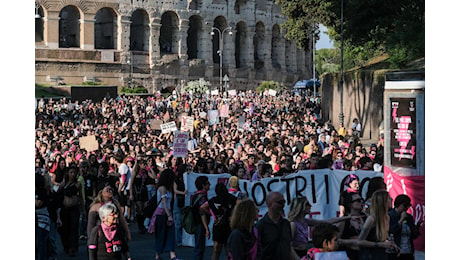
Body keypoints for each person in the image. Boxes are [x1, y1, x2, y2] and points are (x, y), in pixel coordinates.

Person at [255, 191, 299, 260]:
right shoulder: (260, 226)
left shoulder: (286, 224)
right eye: (280, 202)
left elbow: (289, 247)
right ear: (270, 204)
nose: (283, 205)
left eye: (284, 202)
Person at [200, 183, 237, 260]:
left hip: (218, 225)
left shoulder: (214, 200)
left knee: (216, 250)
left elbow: (202, 207)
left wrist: (212, 214)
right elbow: (238, 206)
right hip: (229, 225)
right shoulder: (232, 198)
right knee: (229, 250)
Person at [358, 190, 399, 260]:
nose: (391, 200)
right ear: (383, 201)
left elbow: (385, 238)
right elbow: (360, 241)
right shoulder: (372, 219)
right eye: (389, 198)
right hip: (371, 256)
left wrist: (393, 244)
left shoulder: (388, 217)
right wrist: (380, 245)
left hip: (383, 255)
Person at [152, 168, 181, 260]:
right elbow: (164, 202)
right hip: (162, 214)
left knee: (170, 234)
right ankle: (158, 255)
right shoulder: (162, 188)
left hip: (166, 212)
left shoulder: (168, 188)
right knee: (161, 234)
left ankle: (172, 255)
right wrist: (169, 215)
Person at [388, 194, 421, 260]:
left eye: (408, 206)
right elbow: (391, 231)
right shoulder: (390, 216)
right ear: (398, 204)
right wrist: (401, 220)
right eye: (405, 206)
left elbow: (413, 235)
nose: (406, 208)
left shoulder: (409, 217)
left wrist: (416, 229)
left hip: (408, 251)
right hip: (396, 252)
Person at [58, 165, 82, 257]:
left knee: (74, 228)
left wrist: (83, 209)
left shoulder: (78, 184)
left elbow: (80, 196)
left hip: (74, 209)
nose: (72, 174)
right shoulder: (64, 183)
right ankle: (66, 246)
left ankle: (73, 248)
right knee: (65, 229)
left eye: (74, 172)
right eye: (71, 172)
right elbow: (58, 193)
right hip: (64, 209)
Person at [337, 193, 367, 260]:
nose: (361, 202)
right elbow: (336, 240)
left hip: (365, 253)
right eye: (358, 200)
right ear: (350, 204)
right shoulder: (344, 220)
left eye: (362, 199)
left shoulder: (366, 217)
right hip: (349, 254)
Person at [191, 176, 211, 260]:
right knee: (199, 247)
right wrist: (206, 228)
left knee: (198, 246)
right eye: (207, 183)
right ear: (203, 185)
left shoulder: (194, 195)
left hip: (195, 222)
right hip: (200, 224)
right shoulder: (202, 197)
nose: (209, 185)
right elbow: (202, 212)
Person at [128, 158, 149, 234]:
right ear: (139, 165)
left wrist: (149, 168)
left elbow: (153, 176)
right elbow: (131, 184)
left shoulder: (145, 172)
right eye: (143, 164)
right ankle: (140, 226)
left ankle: (143, 224)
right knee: (139, 209)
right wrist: (131, 194)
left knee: (145, 208)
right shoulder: (135, 172)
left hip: (144, 191)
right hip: (137, 192)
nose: (144, 166)